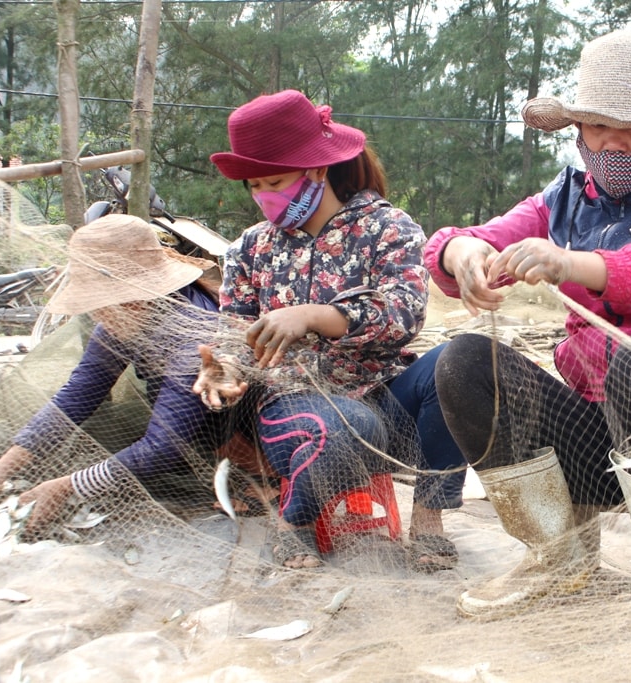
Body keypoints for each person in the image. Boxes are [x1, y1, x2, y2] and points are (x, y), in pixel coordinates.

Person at [424, 31, 631, 619]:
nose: (610, 143)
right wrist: (462, 255)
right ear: (576, 129)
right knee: (464, 362)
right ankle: (560, 556)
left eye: (630, 128)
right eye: (596, 127)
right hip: (597, 441)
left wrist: (575, 264)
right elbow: (467, 239)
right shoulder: (566, 196)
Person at [197, 89, 466, 570]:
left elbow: (405, 311)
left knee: (460, 362)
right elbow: (235, 336)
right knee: (350, 425)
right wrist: (223, 369)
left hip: (387, 399)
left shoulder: (387, 227)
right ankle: (293, 523)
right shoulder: (249, 250)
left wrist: (316, 315)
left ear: (317, 169)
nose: (264, 198)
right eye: (254, 186)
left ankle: (429, 518)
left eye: (275, 181)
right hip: (294, 410)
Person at [0, 214, 243, 530]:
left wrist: (67, 487)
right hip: (179, 430)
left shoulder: (194, 335)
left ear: (134, 297)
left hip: (227, 440)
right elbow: (76, 396)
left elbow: (164, 446)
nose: (97, 313)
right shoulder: (125, 320)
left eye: (102, 302)